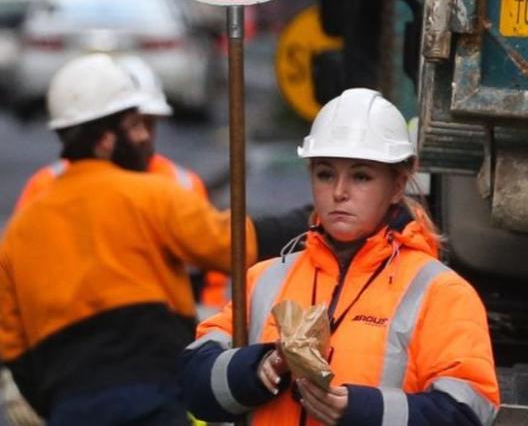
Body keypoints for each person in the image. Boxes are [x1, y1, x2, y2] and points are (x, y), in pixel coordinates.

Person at [0, 53, 304, 425]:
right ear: (106, 140)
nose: (145, 135)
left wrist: (54, 401)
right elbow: (229, 244)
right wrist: (306, 220)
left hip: (70, 404)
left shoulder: (21, 229)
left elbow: (12, 343)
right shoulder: (150, 195)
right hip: (150, 396)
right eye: (134, 126)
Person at [178, 88, 499, 426]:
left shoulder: (440, 293)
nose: (339, 192)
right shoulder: (267, 278)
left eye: (361, 176)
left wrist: (361, 410)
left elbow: (468, 413)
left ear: (397, 185)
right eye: (325, 174)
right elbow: (193, 380)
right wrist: (260, 368)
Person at [13, 56, 230, 311]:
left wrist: (205, 328)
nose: (144, 136)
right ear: (104, 135)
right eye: (135, 125)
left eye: (148, 123)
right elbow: (22, 274)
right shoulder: (46, 185)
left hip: (167, 333)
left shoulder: (182, 183)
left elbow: (212, 266)